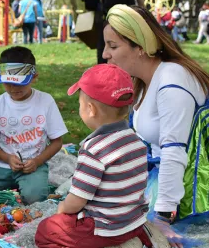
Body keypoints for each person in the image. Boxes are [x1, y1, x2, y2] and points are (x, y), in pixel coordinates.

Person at [103, 4, 209, 246]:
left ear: (140, 47)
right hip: (156, 179)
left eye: (113, 46)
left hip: (185, 191)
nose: (105, 54)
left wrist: (162, 217)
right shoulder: (143, 80)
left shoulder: (172, 80)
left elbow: (174, 152)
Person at [35, 64, 152, 248]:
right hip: (133, 221)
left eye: (80, 104)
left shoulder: (95, 149)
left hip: (105, 228)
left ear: (90, 109)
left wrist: (62, 209)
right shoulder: (134, 139)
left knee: (46, 230)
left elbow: (77, 200)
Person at [0, 46, 68, 204]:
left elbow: (57, 142)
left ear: (34, 77)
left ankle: (18, 191)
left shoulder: (45, 101)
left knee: (35, 198)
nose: (13, 88)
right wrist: (7, 158)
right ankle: (11, 194)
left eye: (19, 83)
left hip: (32, 167)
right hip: (1, 165)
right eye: (8, 83)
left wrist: (37, 161)